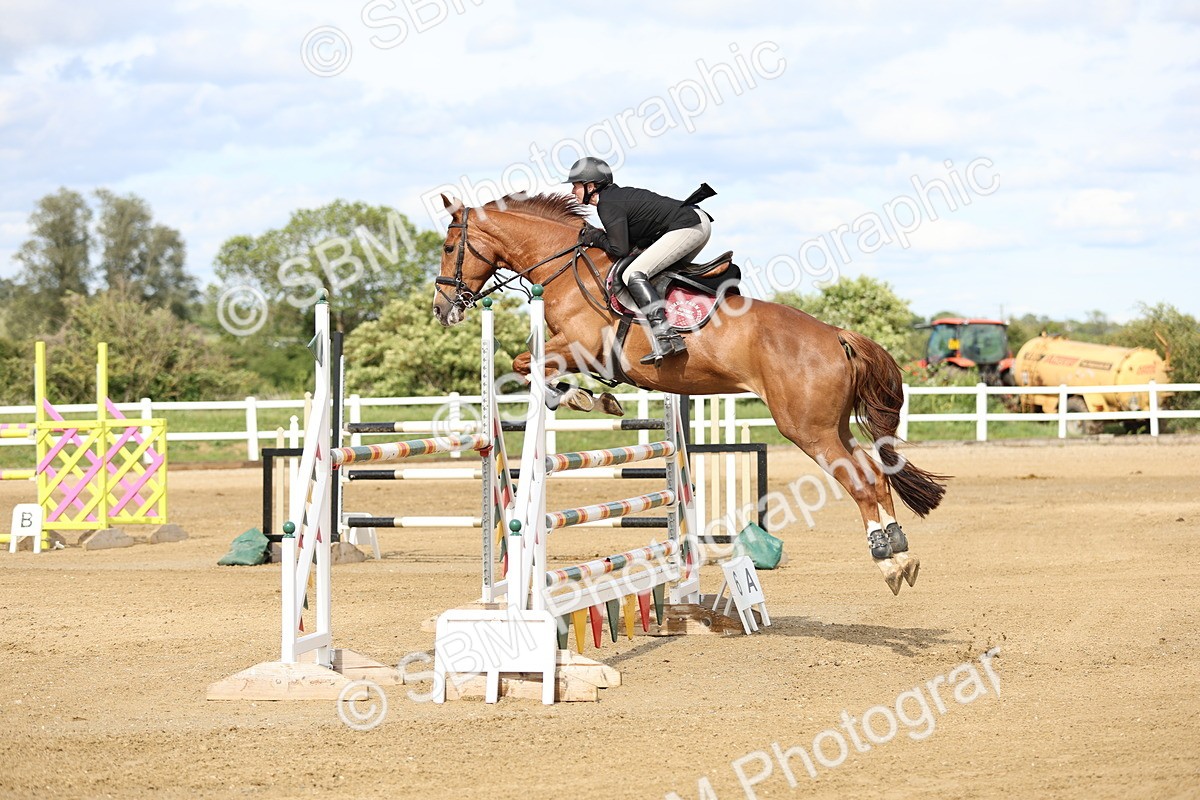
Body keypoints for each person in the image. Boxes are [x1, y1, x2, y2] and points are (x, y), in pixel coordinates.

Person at [566, 156, 714, 365]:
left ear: (590, 186)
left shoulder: (607, 204)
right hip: (694, 223)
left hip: (689, 225)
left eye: (575, 185)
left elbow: (619, 249)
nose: (573, 191)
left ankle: (666, 337)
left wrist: (594, 237)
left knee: (633, 274)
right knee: (653, 275)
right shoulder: (614, 198)